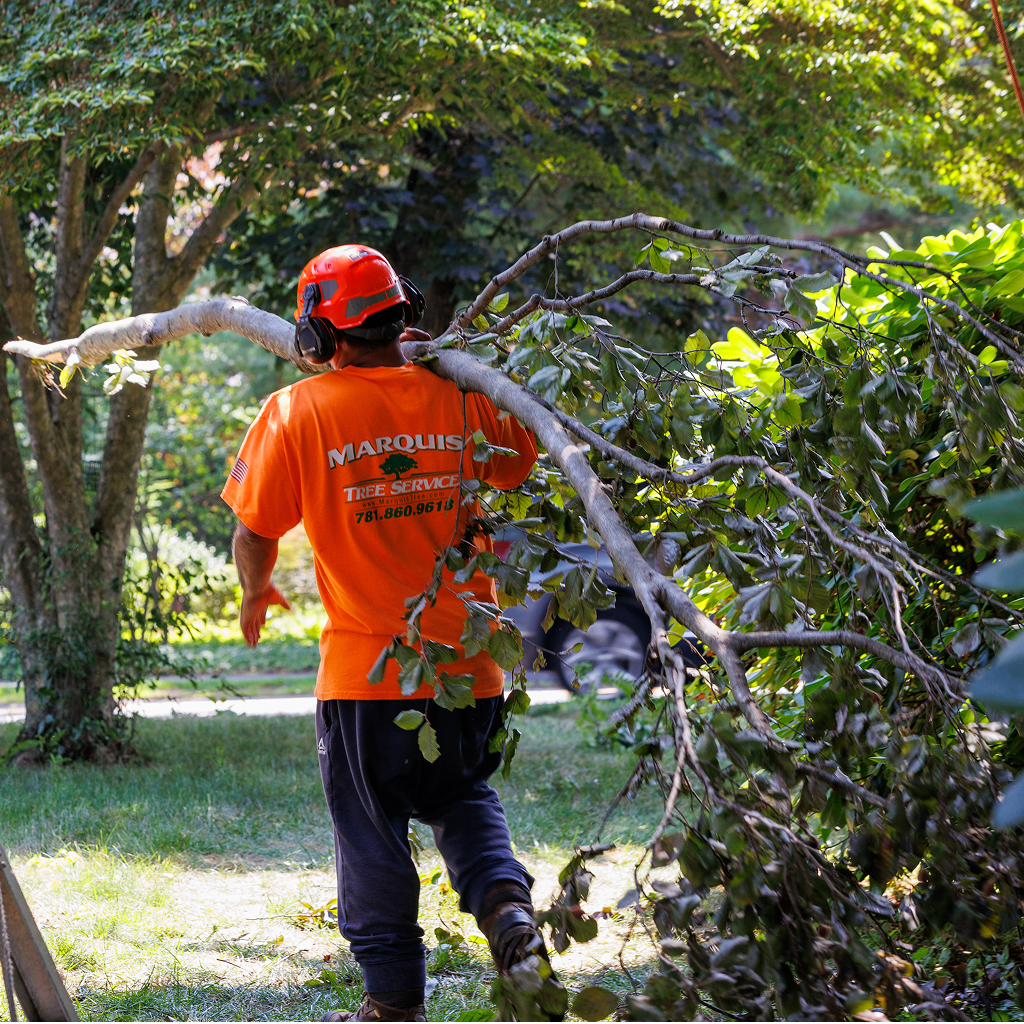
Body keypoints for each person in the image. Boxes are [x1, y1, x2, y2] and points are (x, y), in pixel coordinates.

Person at [221, 246, 553, 1023]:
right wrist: (444, 373)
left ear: (316, 332)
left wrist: (255, 591)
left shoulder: (297, 412)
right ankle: (509, 916)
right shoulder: (461, 394)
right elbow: (522, 461)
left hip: (369, 679)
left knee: (371, 829)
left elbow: (254, 530)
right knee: (464, 796)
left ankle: (393, 1005)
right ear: (402, 315)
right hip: (473, 667)